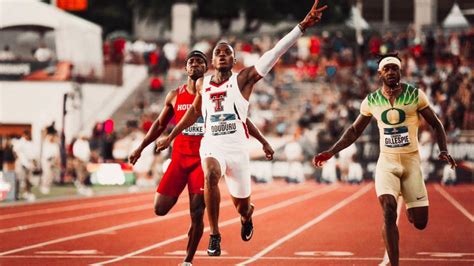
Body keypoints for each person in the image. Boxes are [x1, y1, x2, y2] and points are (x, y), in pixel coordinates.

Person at [156, 0, 327, 256]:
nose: (222, 55)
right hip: (212, 146)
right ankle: (214, 234)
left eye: (227, 52)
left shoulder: (244, 80)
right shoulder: (203, 85)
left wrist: (302, 27)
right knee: (210, 174)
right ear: (212, 60)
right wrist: (170, 136)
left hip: (237, 151)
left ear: (234, 59)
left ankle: (247, 217)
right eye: (218, 52)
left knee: (242, 207)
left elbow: (275, 52)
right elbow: (193, 112)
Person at [129, 50, 274, 266]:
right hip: (179, 159)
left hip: (203, 157)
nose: (195, 64)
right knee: (160, 208)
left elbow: (242, 120)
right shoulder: (174, 95)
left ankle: (188, 260)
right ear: (186, 68)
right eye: (191, 61)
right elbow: (159, 124)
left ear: (207, 68)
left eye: (200, 61)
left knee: (197, 212)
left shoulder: (214, 89)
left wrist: (263, 141)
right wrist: (141, 147)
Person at [313, 53, 457, 266]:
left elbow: (436, 123)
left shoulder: (415, 95)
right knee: (389, 211)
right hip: (387, 164)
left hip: (411, 164)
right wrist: (331, 151)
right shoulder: (371, 101)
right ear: (380, 73)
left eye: (395, 68)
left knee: (420, 222)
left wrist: (443, 149)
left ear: (400, 71)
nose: (391, 72)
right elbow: (354, 130)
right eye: (387, 69)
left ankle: (410, 205)